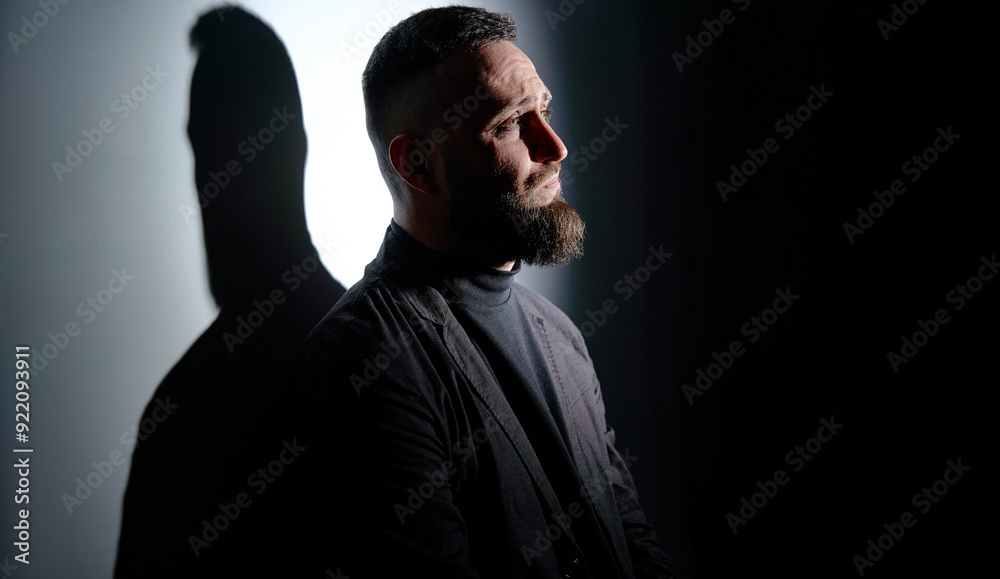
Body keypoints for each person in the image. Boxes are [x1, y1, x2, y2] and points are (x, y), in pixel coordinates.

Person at [285, 6, 675, 578]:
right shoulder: (365, 360)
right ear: (417, 163)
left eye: (544, 109)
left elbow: (627, 537)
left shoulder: (560, 335)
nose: (556, 146)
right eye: (512, 123)